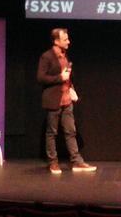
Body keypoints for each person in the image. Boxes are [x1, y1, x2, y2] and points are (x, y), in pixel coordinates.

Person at [37, 28, 96, 174]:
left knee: (71, 131)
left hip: (67, 100)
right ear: (56, 41)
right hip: (53, 101)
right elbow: (41, 77)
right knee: (52, 133)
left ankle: (77, 162)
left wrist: (71, 88)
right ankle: (53, 163)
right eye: (65, 39)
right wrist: (59, 78)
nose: (68, 42)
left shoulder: (65, 56)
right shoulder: (47, 57)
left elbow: (67, 77)